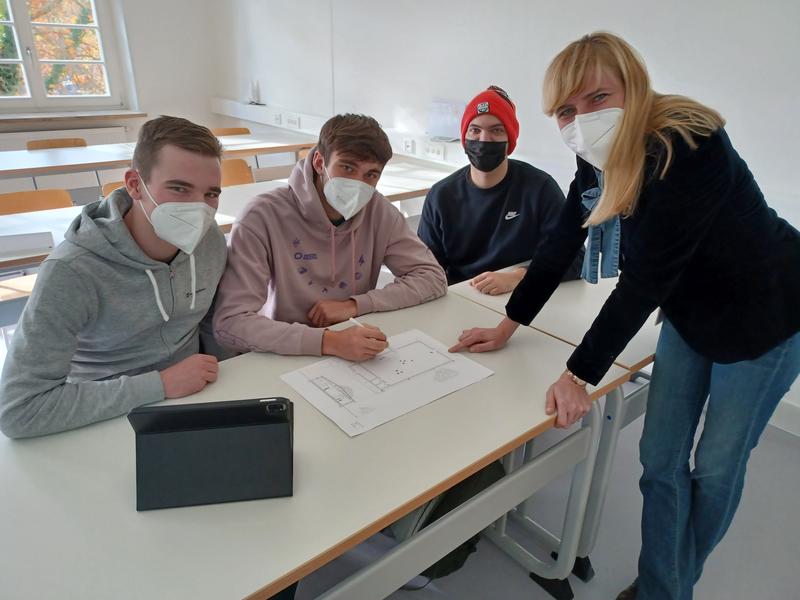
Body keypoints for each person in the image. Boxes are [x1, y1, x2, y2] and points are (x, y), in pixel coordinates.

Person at [450, 32, 800, 600]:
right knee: (659, 460)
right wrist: (506, 325)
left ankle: (664, 589)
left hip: (767, 313)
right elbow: (561, 242)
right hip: (690, 311)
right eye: (566, 109)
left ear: (632, 88)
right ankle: (669, 585)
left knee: (714, 469)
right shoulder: (598, 157)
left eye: (597, 98)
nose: (581, 118)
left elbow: (644, 281)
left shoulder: (690, 144)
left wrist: (577, 374)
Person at [0, 116, 229, 439]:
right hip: (102, 414)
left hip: (195, 395)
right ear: (135, 184)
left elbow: (210, 324)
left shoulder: (210, 242)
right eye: (179, 188)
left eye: (211, 195)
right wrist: (160, 385)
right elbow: (18, 411)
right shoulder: (72, 271)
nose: (198, 209)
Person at [213, 114, 447, 359]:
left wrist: (355, 305)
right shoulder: (262, 216)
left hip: (353, 339)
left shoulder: (379, 211)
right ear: (318, 161)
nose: (357, 183)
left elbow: (432, 278)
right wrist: (328, 341)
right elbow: (230, 324)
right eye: (347, 167)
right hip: (283, 348)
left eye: (371, 175)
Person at [418, 85, 583, 293]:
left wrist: (517, 277)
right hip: (461, 298)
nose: (484, 139)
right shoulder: (441, 196)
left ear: (510, 139)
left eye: (496, 130)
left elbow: (575, 258)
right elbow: (424, 270)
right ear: (464, 137)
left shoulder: (539, 188)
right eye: (475, 130)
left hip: (522, 298)